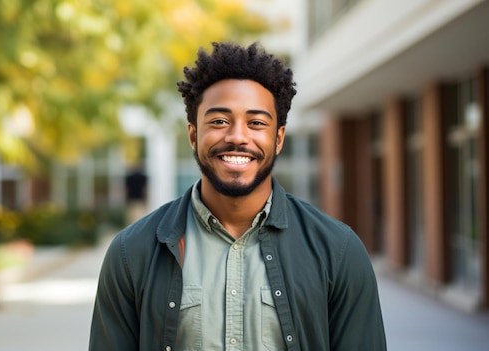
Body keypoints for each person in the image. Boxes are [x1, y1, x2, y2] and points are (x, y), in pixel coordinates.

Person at [89, 42, 387, 350]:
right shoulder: (131, 253)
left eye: (256, 123)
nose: (237, 137)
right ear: (193, 134)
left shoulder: (338, 251)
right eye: (219, 121)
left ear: (279, 138)